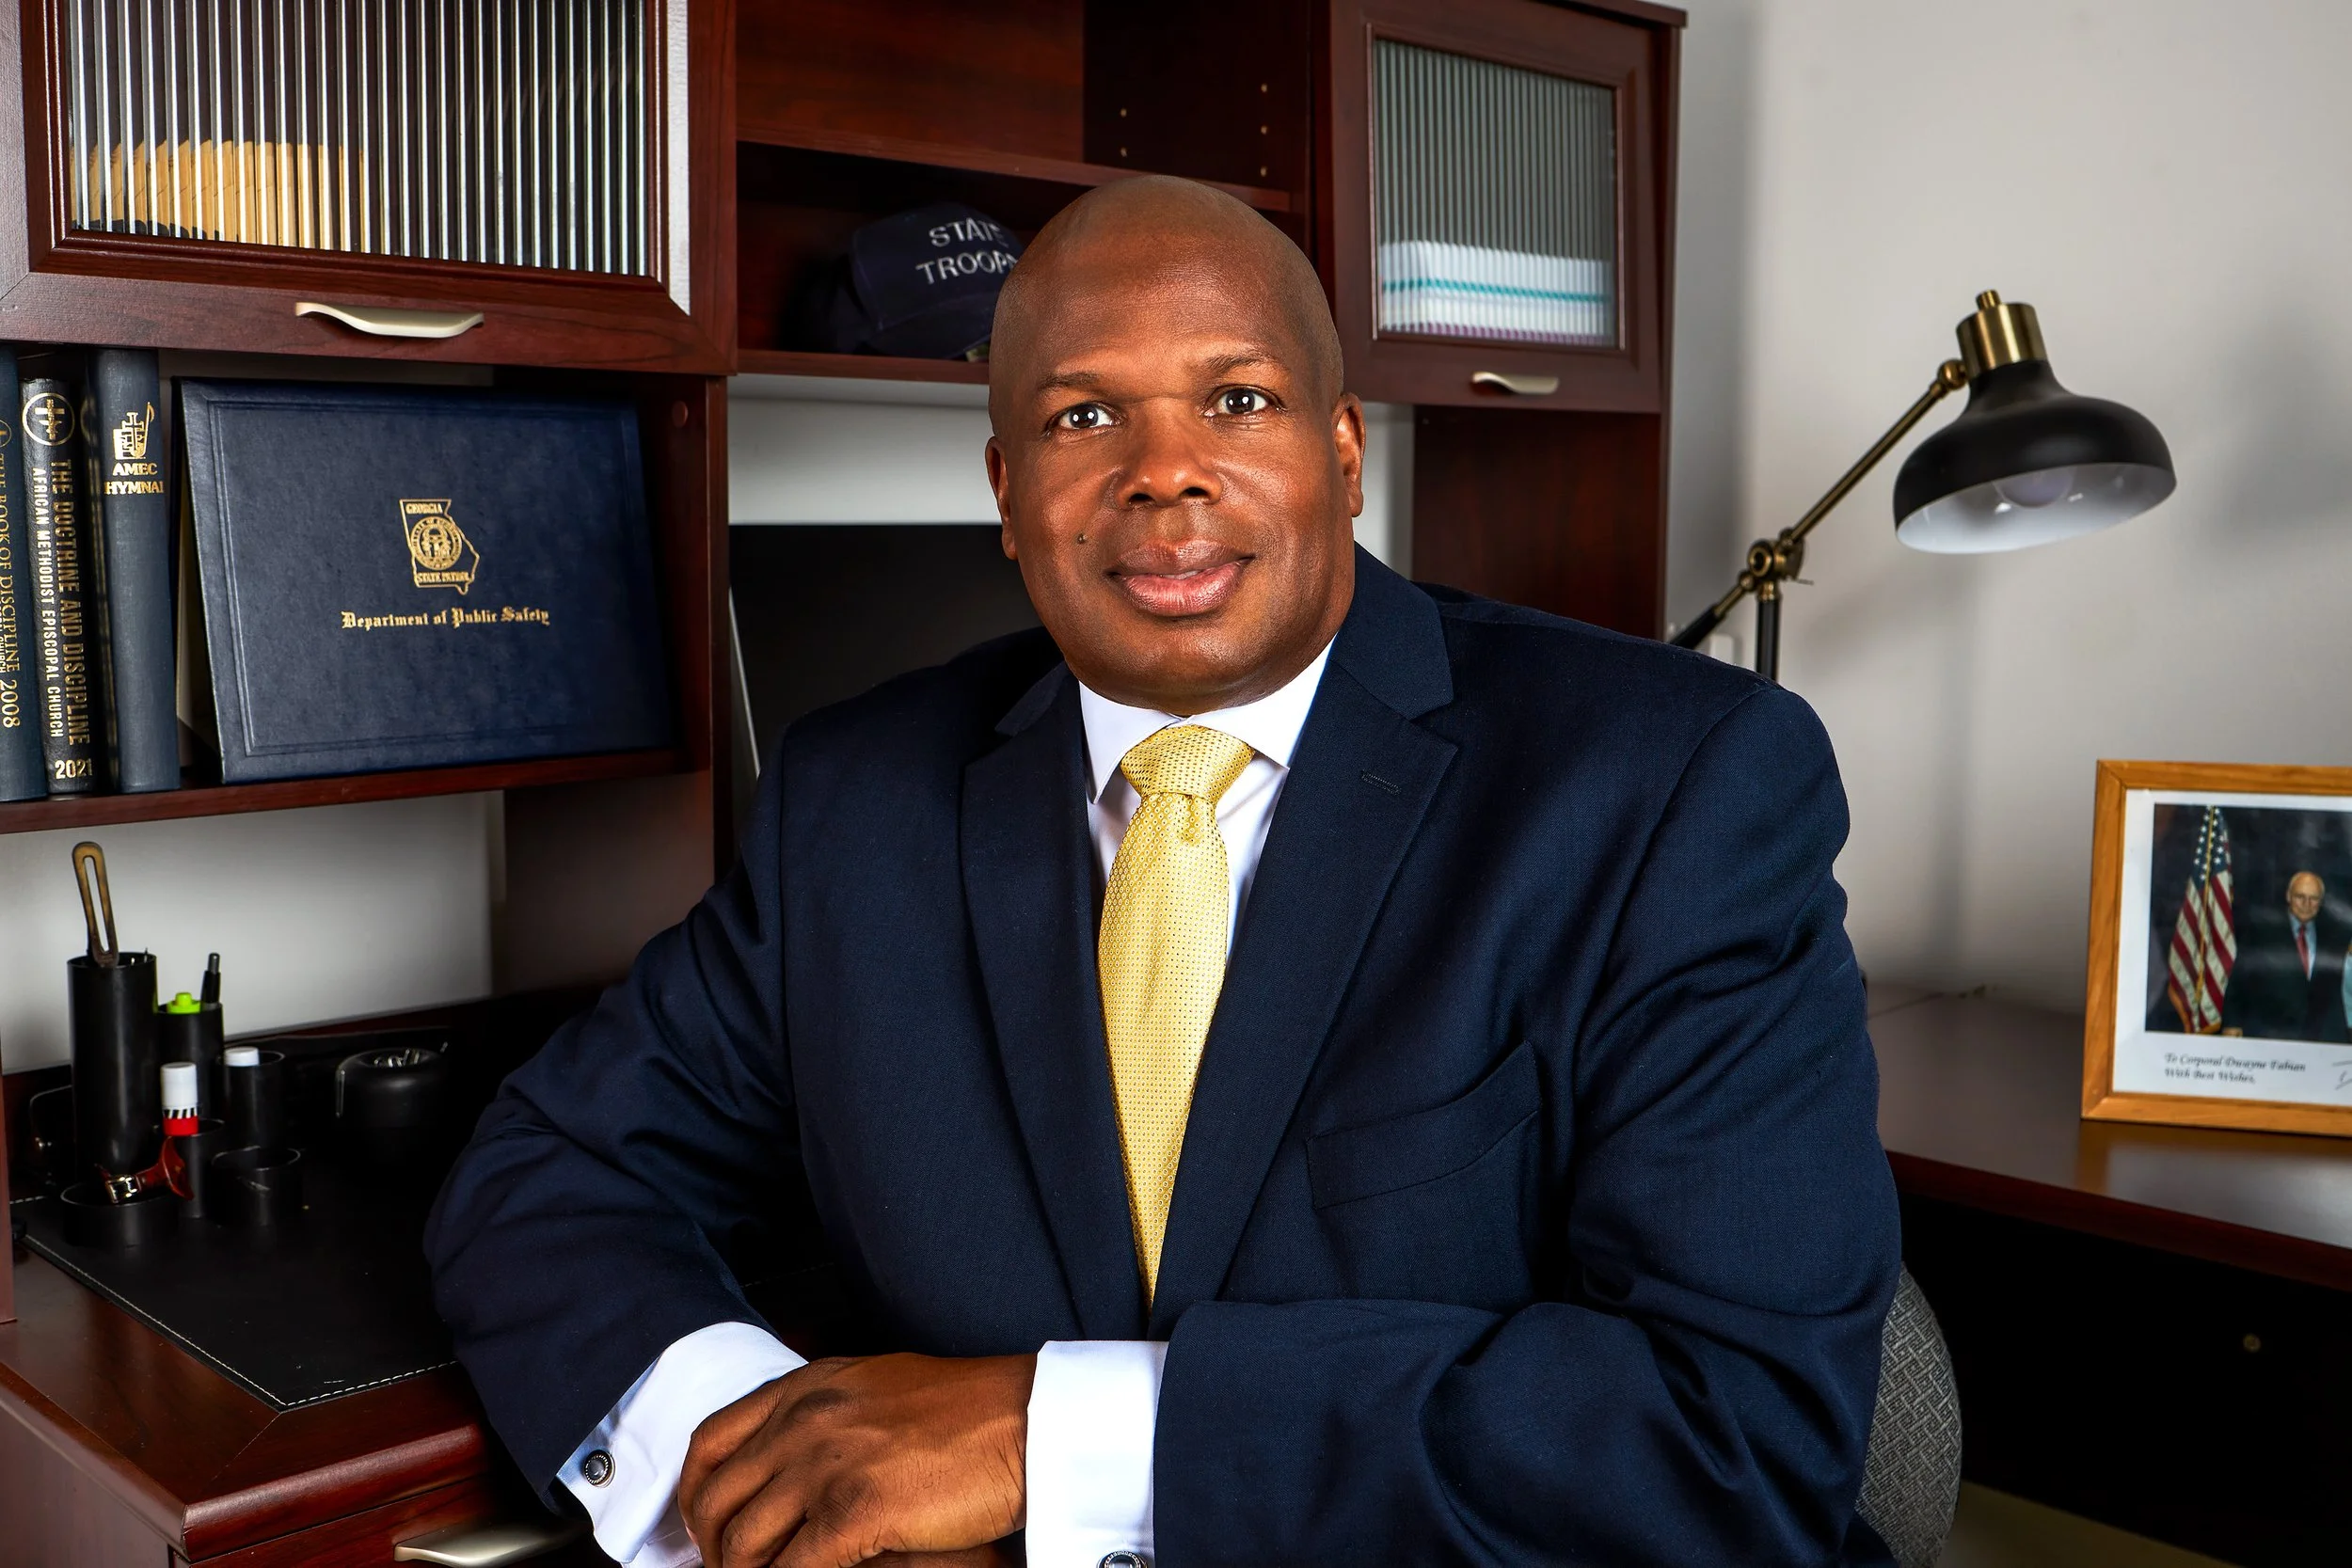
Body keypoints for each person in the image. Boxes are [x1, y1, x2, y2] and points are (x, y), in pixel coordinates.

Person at [425, 175, 1900, 1568]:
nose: (1165, 472)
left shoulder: (1675, 782)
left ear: (1343, 452)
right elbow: (549, 1175)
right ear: (1008, 492)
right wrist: (776, 1471)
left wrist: (1038, 1435)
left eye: (1237, 400)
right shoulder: (854, 800)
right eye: (1083, 416)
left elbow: (1736, 1436)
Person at [2223, 869, 2348, 1042]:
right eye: (2300, 897)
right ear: (2288, 896)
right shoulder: (2262, 931)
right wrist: (2232, 1024)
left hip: (2319, 1039)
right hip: (2271, 1035)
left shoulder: (2333, 935)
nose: (2306, 904)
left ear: (2321, 902)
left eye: (2313, 898)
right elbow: (2239, 980)